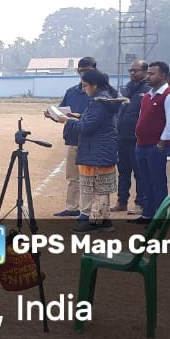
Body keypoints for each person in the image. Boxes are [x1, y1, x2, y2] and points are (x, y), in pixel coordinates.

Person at [49, 69, 121, 233]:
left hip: (97, 149)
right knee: (101, 186)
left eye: (85, 85)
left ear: (94, 85)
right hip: (102, 148)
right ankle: (104, 220)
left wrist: (67, 121)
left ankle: (96, 221)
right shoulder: (104, 99)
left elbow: (87, 127)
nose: (84, 89)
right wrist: (78, 117)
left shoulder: (99, 102)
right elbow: (94, 121)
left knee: (97, 186)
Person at [131, 61, 170, 224]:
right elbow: (142, 118)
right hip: (141, 145)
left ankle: (160, 217)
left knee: (157, 182)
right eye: (148, 73)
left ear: (163, 76)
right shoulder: (147, 96)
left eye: (152, 74)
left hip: (156, 146)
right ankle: (148, 214)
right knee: (144, 181)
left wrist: (162, 142)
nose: (148, 76)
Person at [54, 56, 97, 217]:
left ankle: (89, 210)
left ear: (94, 70)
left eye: (87, 70)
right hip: (73, 139)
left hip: (90, 140)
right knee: (73, 177)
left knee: (89, 177)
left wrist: (78, 117)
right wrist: (53, 115)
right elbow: (62, 112)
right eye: (80, 71)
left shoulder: (100, 93)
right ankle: (72, 207)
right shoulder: (71, 92)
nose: (83, 74)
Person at [112, 59, 148, 213]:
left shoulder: (148, 90)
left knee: (139, 172)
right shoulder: (126, 89)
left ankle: (140, 203)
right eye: (131, 70)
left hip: (137, 139)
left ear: (145, 72)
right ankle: (122, 202)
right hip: (122, 137)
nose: (133, 73)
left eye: (136, 70)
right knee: (123, 171)